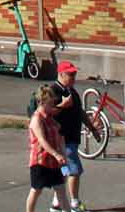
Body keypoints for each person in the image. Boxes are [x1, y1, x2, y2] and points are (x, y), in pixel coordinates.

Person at [50, 60, 88, 211]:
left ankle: (56, 203)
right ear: (61, 74)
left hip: (72, 137)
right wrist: (62, 106)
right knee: (74, 171)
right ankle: (74, 203)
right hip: (62, 139)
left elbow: (80, 111)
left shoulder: (72, 91)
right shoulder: (53, 91)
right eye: (70, 74)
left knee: (65, 173)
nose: (73, 77)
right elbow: (44, 112)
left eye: (74, 74)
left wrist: (92, 128)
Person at [25, 83, 68, 212]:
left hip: (53, 162)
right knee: (36, 190)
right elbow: (42, 141)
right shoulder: (36, 119)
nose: (53, 105)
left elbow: (59, 135)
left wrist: (62, 152)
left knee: (60, 189)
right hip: (40, 161)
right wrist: (57, 154)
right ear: (42, 102)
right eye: (50, 103)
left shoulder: (50, 117)